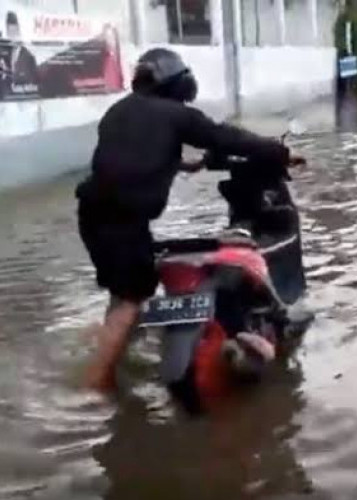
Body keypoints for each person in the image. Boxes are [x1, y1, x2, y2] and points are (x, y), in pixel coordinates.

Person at [76, 48, 304, 392]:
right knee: (131, 298)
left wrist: (183, 164)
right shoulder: (177, 115)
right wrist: (283, 152)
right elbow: (228, 137)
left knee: (124, 292)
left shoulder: (119, 111)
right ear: (179, 84)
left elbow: (124, 158)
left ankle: (116, 349)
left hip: (93, 215)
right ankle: (97, 383)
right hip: (123, 219)